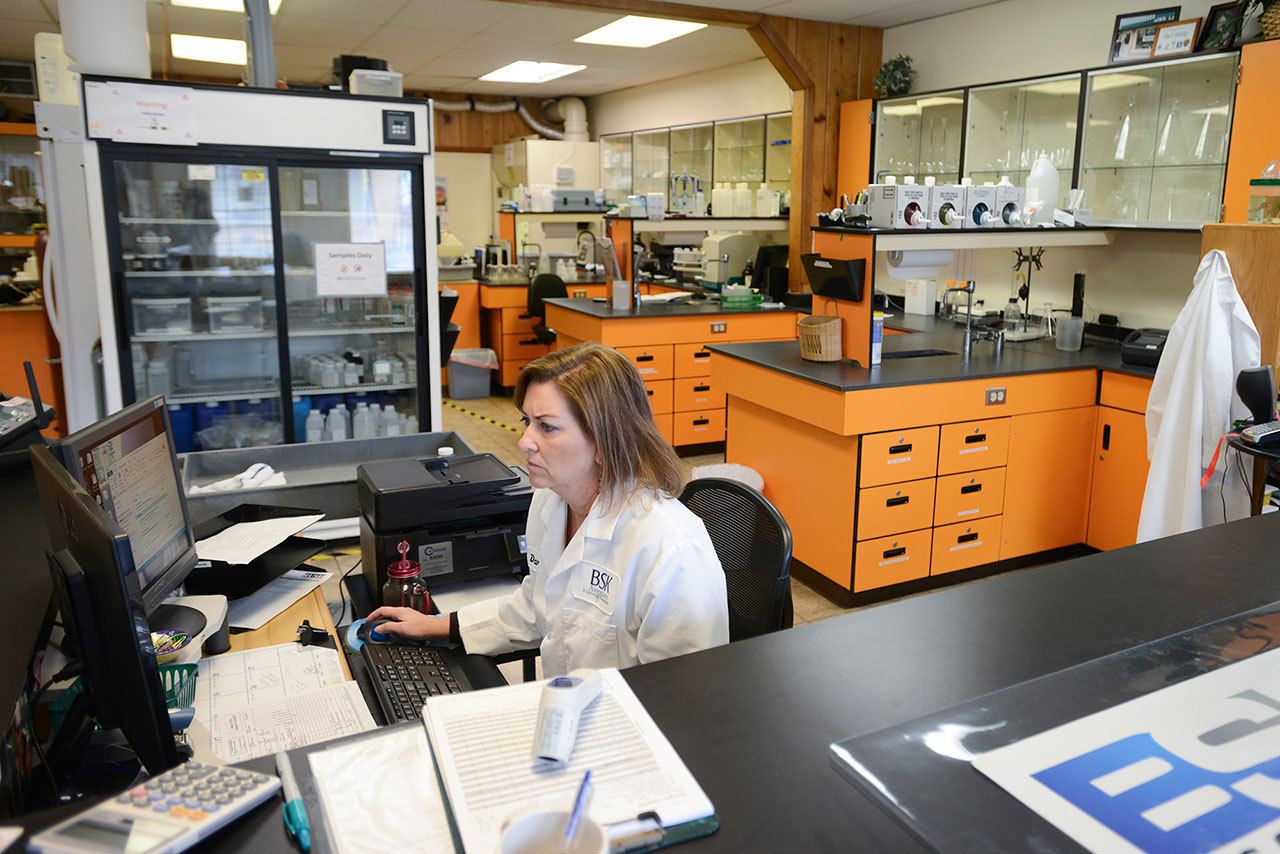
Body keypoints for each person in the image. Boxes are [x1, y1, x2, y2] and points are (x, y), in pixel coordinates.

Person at [364, 342, 729, 675]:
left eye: (547, 427)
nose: (524, 441)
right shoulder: (549, 501)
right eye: (527, 422)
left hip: (624, 723)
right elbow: (537, 606)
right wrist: (435, 625)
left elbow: (684, 696)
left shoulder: (669, 548)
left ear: (605, 442)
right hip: (563, 705)